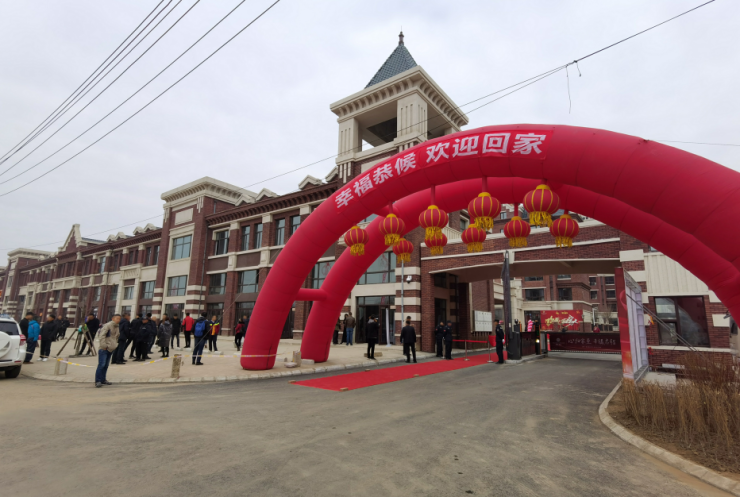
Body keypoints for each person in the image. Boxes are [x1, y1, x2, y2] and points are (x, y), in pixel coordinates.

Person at [95, 314, 120, 387]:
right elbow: (101, 336)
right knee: (101, 365)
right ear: (113, 318)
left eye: (119, 319)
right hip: (104, 349)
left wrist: (115, 344)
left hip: (111, 348)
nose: (118, 320)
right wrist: (104, 346)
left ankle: (103, 379)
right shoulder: (107, 325)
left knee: (106, 365)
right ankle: (98, 381)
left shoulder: (117, 327)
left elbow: (116, 337)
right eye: (117, 318)